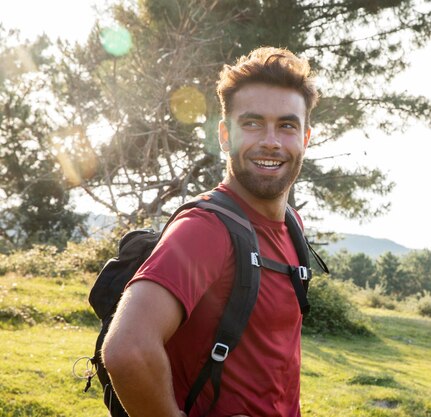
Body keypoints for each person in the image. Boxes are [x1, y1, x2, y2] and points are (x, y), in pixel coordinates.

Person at [101, 46, 319, 417]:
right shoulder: (205, 230)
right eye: (252, 123)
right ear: (224, 135)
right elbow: (127, 349)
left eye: (286, 125)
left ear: (305, 138)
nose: (271, 141)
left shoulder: (292, 224)